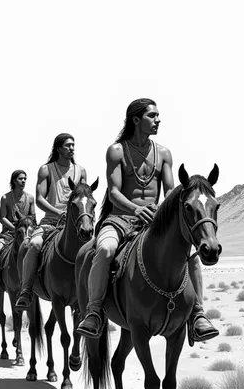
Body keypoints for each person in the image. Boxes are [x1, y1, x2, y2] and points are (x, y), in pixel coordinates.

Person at [76, 98, 219, 343]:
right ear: (135, 120)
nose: (158, 120)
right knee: (106, 249)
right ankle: (94, 310)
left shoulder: (163, 153)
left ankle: (197, 315)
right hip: (120, 218)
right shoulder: (117, 151)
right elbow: (113, 192)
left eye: (158, 116)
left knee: (189, 255)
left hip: (154, 219)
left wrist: (163, 211)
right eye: (152, 116)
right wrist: (136, 208)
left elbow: (171, 191)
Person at [15, 133, 87, 311]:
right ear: (58, 149)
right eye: (68, 145)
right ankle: (26, 290)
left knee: (94, 249)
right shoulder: (46, 169)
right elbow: (39, 199)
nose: (72, 148)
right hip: (50, 222)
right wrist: (58, 212)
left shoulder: (81, 171)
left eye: (73, 145)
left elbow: (85, 196)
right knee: (33, 245)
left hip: (75, 224)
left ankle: (95, 296)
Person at [0, 170, 36, 301]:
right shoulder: (6, 198)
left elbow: (33, 218)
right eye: (20, 179)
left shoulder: (30, 198)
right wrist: (16, 228)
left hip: (26, 232)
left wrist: (25, 229)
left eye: (25, 179)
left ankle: (39, 282)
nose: (23, 181)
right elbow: (2, 218)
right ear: (13, 181)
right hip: (8, 234)